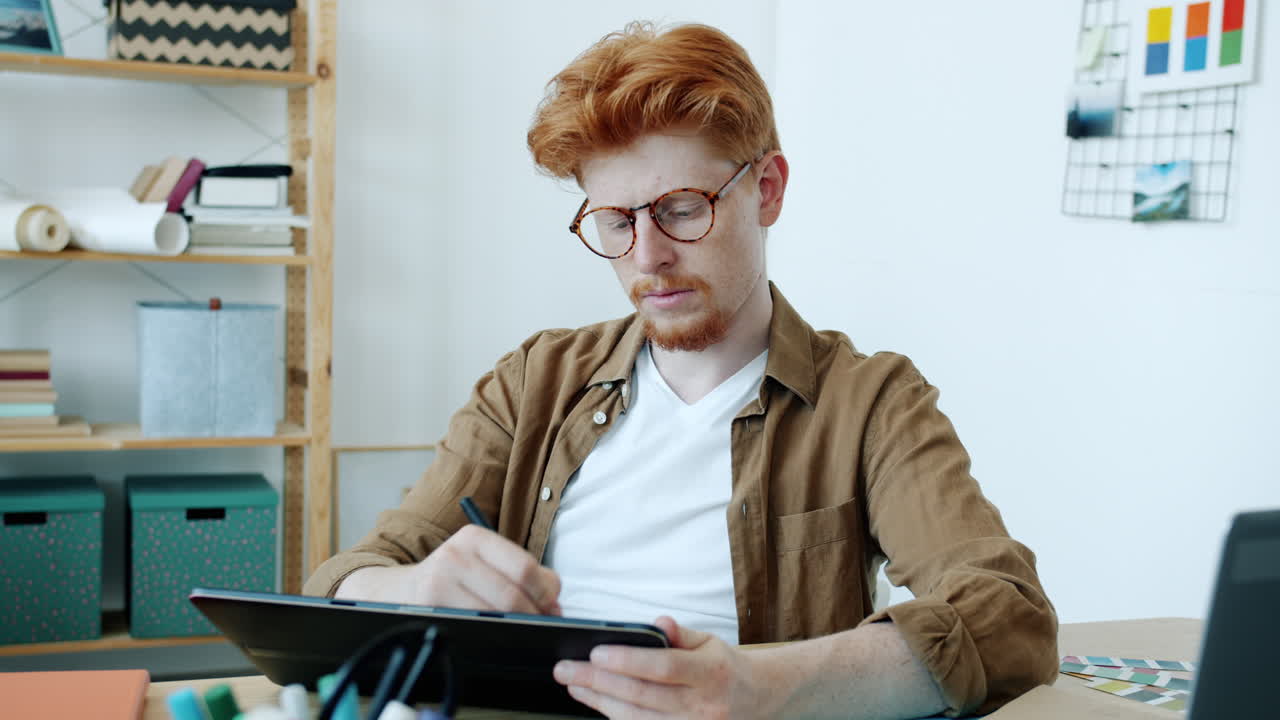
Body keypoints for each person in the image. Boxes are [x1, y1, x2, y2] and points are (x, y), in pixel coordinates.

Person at [305, 21, 1057, 719]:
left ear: (766, 190)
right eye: (615, 221)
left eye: (682, 209)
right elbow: (346, 578)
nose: (647, 255)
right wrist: (410, 589)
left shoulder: (870, 402)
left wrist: (759, 685)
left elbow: (1007, 616)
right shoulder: (534, 381)